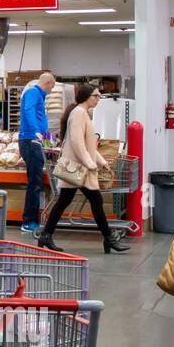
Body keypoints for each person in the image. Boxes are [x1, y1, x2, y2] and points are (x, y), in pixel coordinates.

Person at [36, 83, 129, 255]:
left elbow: (89, 144)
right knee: (94, 201)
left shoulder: (82, 113)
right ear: (87, 96)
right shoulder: (79, 113)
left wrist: (100, 161)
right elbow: (77, 143)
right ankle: (109, 239)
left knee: (66, 202)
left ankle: (46, 235)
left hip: (78, 168)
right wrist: (91, 164)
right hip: (79, 168)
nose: (98, 99)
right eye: (96, 96)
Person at [18, 72, 56, 233]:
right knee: (34, 182)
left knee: (36, 181)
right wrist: (36, 132)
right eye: (52, 87)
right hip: (31, 141)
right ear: (48, 83)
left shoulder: (39, 96)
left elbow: (41, 120)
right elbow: (28, 112)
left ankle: (31, 218)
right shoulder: (33, 93)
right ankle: (28, 221)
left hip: (36, 141)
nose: (52, 91)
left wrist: (50, 142)